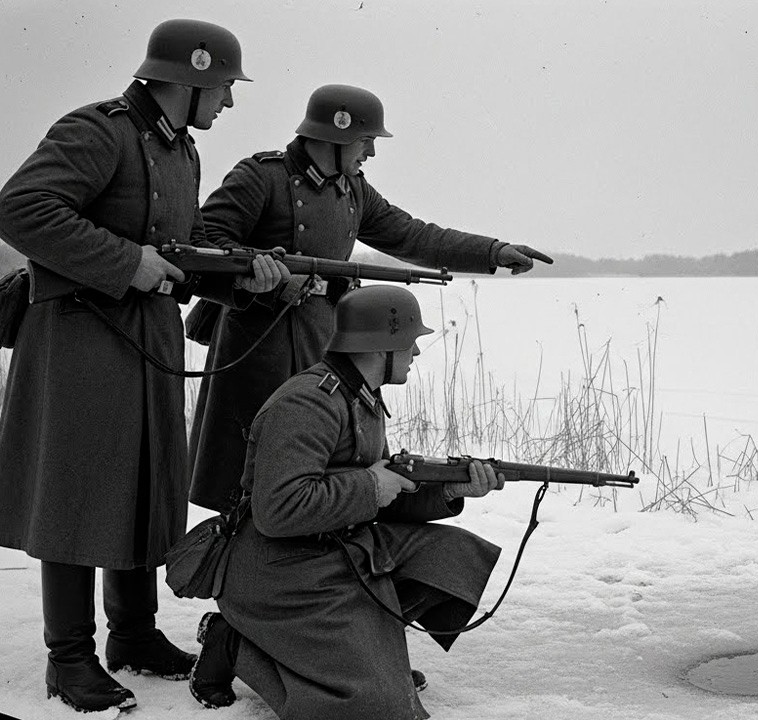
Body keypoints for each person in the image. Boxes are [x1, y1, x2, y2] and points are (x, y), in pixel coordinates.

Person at [0, 19, 284, 713]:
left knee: (142, 485)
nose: (229, 101)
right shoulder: (99, 131)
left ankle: (133, 635)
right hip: (79, 343)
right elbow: (21, 209)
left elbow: (177, 255)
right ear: (188, 79)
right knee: (76, 494)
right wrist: (127, 263)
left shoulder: (181, 150)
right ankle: (69, 659)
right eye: (224, 87)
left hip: (146, 342)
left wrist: (244, 276)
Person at [186, 83, 553, 514]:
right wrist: (260, 273)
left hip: (320, 340)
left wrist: (491, 252)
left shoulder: (353, 191)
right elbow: (205, 242)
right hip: (259, 347)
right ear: (336, 133)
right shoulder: (262, 176)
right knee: (248, 476)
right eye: (366, 141)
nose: (371, 153)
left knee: (322, 468)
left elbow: (412, 236)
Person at [188, 284, 504, 720]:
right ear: (379, 346)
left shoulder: (359, 395)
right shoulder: (308, 402)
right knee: (376, 709)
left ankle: (364, 655)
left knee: (451, 556)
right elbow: (277, 510)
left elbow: (380, 496)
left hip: (332, 551)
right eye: (408, 340)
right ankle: (234, 643)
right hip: (279, 572)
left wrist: (448, 491)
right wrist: (370, 486)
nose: (415, 351)